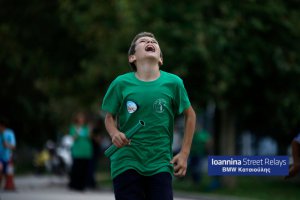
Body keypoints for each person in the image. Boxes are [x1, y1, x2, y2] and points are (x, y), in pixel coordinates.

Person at [101, 32, 196, 200]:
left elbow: (190, 116)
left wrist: (184, 153)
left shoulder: (174, 83)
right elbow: (109, 117)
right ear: (132, 57)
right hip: (126, 161)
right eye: (143, 41)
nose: (150, 42)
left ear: (160, 59)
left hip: (160, 163)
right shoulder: (121, 83)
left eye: (154, 41)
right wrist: (114, 133)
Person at [68, 112, 92, 191]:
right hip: (77, 151)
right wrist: (77, 130)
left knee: (84, 169)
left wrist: (90, 130)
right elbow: (73, 138)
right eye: (80, 118)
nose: (81, 120)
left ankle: (82, 186)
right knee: (76, 169)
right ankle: (74, 185)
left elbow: (89, 137)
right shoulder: (73, 127)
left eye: (82, 118)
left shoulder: (86, 128)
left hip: (86, 151)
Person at [0, 118, 16, 188]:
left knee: (6, 173)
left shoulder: (9, 133)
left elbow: (13, 146)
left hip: (7, 157)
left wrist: (7, 145)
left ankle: (8, 185)